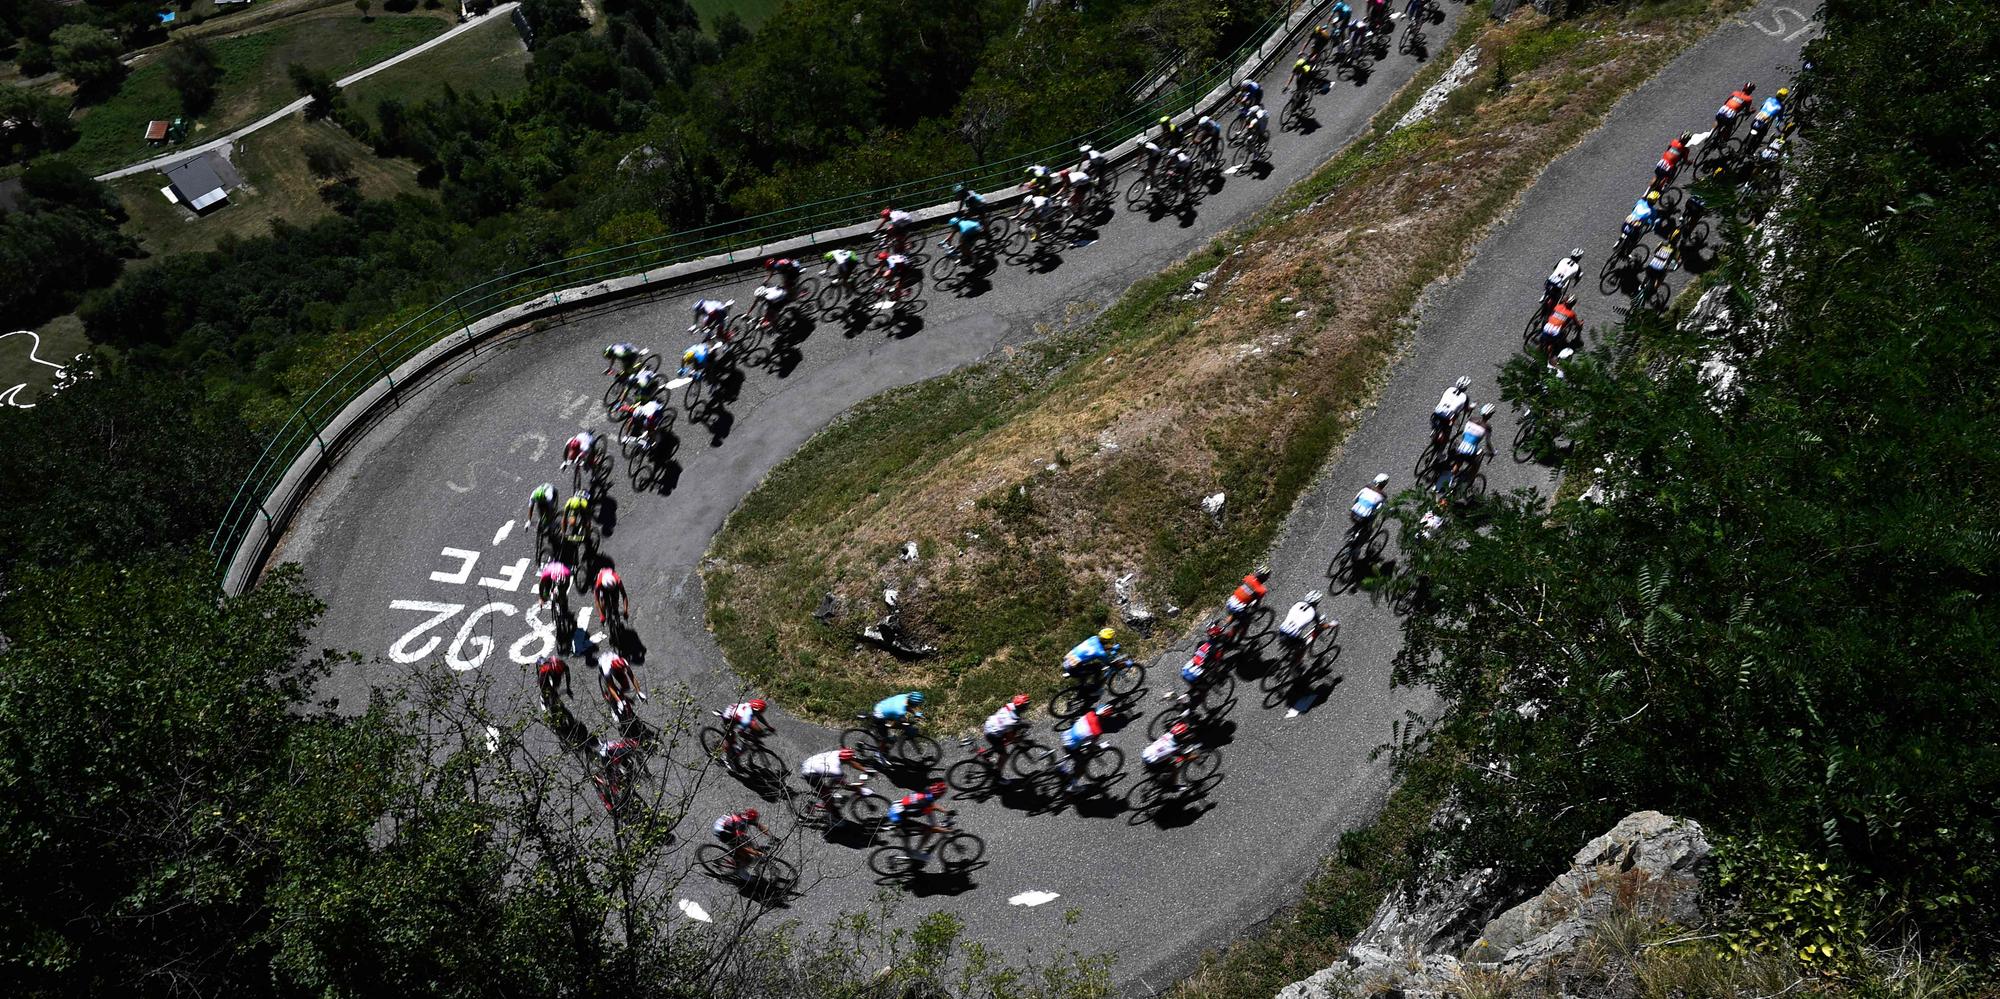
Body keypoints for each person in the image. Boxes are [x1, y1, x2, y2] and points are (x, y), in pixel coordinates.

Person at [886, 782, 951, 853]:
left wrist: (946, 811)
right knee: (928, 831)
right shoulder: (925, 803)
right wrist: (947, 831)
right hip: (898, 818)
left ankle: (911, 851)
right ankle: (916, 852)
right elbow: (933, 828)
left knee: (929, 824)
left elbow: (932, 806)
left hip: (896, 807)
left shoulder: (926, 792)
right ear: (939, 796)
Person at [799, 747, 872, 809]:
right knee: (828, 797)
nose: (851, 761)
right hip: (809, 772)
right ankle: (833, 817)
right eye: (850, 760)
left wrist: (866, 770)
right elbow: (846, 786)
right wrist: (860, 789)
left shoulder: (839, 753)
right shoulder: (836, 769)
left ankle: (830, 794)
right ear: (845, 760)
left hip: (812, 763)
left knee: (835, 782)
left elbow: (851, 762)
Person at [980, 694, 1033, 771]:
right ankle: (997, 776)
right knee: (1004, 755)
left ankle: (988, 753)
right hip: (992, 733)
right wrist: (1023, 741)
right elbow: (1012, 738)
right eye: (1026, 706)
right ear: (1022, 707)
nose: (1027, 707)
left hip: (990, 725)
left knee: (1003, 741)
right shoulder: (1012, 721)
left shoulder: (1010, 706)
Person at [1140, 721, 1193, 792]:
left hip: (1146, 753)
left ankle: (1158, 776)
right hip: (1151, 761)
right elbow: (1184, 756)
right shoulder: (1173, 748)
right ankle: (1172, 787)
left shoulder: (1167, 735)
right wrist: (1190, 754)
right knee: (1174, 770)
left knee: (1167, 758)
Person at [1453, 404, 1493, 474]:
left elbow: (1464, 433)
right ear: (1490, 415)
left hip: (1461, 447)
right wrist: (1493, 452)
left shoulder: (1472, 419)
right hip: (1470, 452)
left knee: (1458, 463)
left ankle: (1450, 481)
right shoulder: (1487, 427)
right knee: (1475, 466)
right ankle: (1466, 483)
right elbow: (1488, 443)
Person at [1432, 375, 1471, 440]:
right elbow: (1465, 409)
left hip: (1437, 410)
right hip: (1447, 415)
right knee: (1455, 415)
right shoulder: (1465, 397)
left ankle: (1435, 429)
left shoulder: (1450, 389)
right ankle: (1443, 433)